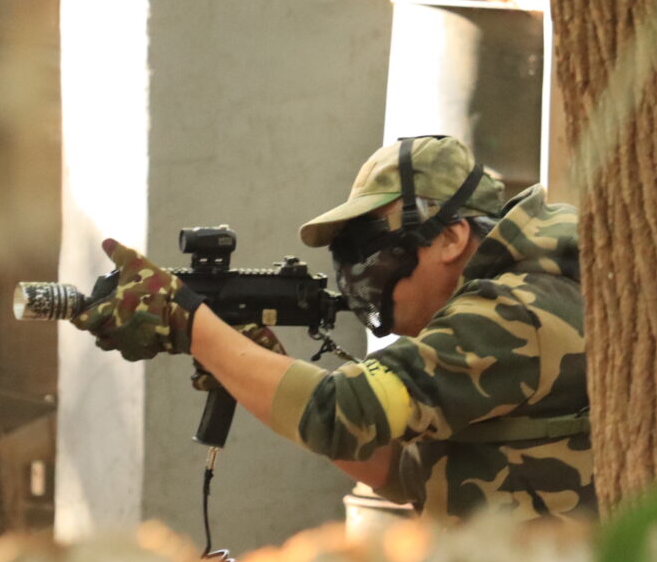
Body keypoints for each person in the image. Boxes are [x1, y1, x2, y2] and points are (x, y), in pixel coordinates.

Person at [79, 134, 594, 521]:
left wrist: (192, 324)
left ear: (452, 237)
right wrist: (248, 360)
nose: (361, 269)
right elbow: (401, 470)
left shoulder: (514, 312)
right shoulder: (513, 299)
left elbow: (340, 412)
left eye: (371, 243)